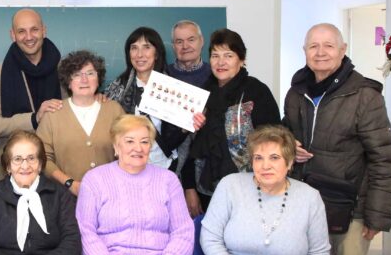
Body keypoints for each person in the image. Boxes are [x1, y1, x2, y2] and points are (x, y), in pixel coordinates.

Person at [282, 23, 391, 255]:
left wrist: (377, 215)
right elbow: (284, 131)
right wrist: (288, 142)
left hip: (352, 208)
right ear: (304, 51)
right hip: (307, 205)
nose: (320, 52)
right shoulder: (296, 93)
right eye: (313, 46)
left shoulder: (365, 95)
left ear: (343, 50)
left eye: (328, 46)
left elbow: (384, 159)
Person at [200, 125, 331, 255]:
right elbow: (210, 238)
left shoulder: (310, 197)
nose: (265, 166)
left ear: (289, 162)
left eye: (274, 158)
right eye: (258, 158)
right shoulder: (230, 186)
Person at [76, 114, 193, 255]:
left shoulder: (168, 180)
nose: (138, 148)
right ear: (116, 146)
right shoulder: (94, 179)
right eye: (129, 141)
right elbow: (85, 232)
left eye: (145, 141)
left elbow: (183, 231)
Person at [190, 28, 280, 211]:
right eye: (215, 56)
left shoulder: (256, 91)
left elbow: (273, 140)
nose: (220, 62)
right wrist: (189, 187)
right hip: (208, 188)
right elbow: (191, 146)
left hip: (251, 189)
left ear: (242, 59)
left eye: (228, 55)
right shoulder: (202, 93)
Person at [105, 27, 199, 171]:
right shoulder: (117, 87)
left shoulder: (174, 89)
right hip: (126, 167)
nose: (139, 54)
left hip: (164, 167)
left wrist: (187, 126)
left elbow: (174, 140)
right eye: (134, 48)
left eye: (146, 47)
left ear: (156, 53)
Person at [0, 8, 64, 180]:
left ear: (44, 30)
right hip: (12, 170)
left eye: (34, 29)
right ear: (13, 35)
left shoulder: (64, 69)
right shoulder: (1, 72)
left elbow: (77, 111)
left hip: (55, 169)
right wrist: (34, 119)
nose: (29, 37)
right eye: (22, 31)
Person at [36, 50, 123, 195]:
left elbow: (127, 151)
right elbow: (42, 157)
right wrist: (69, 183)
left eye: (90, 73)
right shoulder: (53, 114)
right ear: (68, 82)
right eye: (77, 74)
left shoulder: (114, 110)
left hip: (111, 196)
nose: (84, 80)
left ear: (98, 78)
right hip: (65, 198)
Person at [167, 20, 213, 217]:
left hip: (209, 174)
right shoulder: (163, 77)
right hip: (171, 172)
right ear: (173, 46)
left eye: (191, 39)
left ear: (202, 41)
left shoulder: (217, 75)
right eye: (179, 41)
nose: (185, 46)